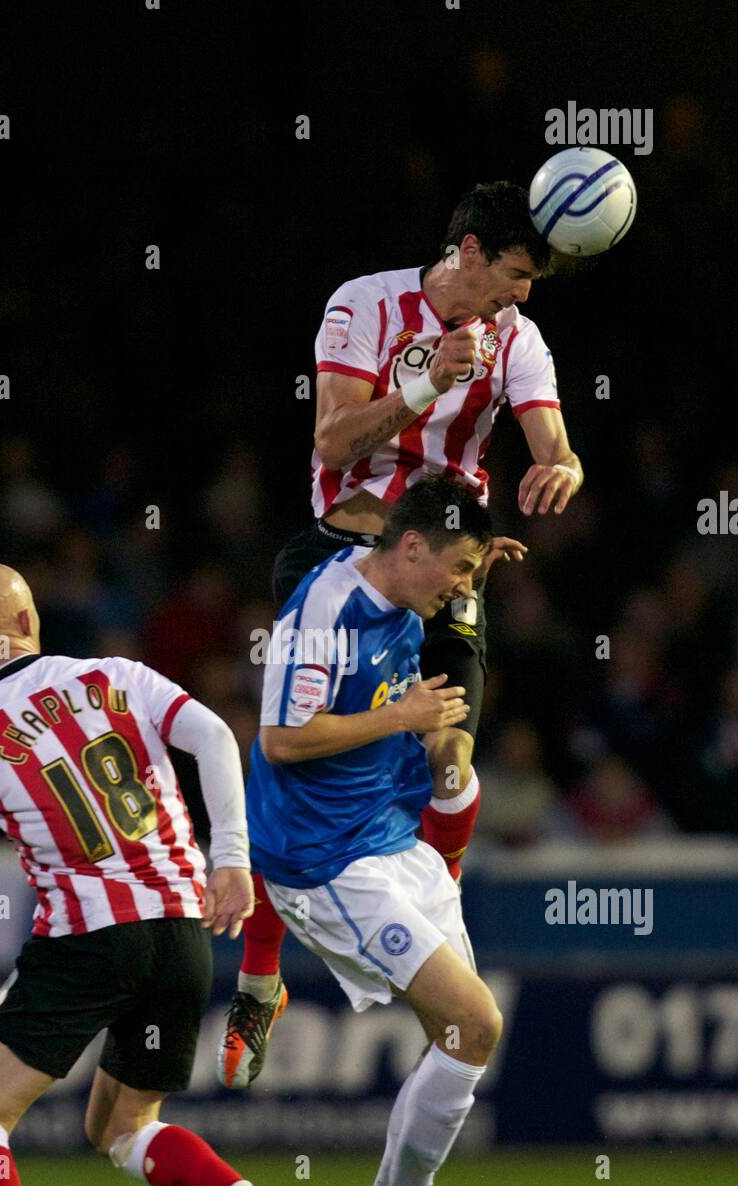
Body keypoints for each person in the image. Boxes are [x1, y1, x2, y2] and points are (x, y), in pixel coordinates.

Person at [219, 181, 583, 1088]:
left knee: (449, 750)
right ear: (466, 251)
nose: (523, 294)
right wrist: (428, 381)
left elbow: (549, 439)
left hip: (444, 571)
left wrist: (562, 467)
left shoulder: (518, 340)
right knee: (296, 758)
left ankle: (433, 920)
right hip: (340, 555)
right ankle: (261, 976)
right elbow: (335, 444)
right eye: (514, 273)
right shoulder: (364, 305)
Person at [0, 562, 326, 1186]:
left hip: (90, 938)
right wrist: (229, 857)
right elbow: (212, 737)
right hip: (181, 932)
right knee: (120, 1126)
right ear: (29, 619)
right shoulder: (118, 675)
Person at [244, 478, 505, 1186]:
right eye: (457, 569)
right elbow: (282, 739)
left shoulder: (404, 596)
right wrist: (402, 719)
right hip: (329, 862)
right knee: (475, 1021)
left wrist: (435, 747)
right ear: (413, 546)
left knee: (454, 1040)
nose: (462, 589)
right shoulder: (323, 611)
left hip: (395, 837)